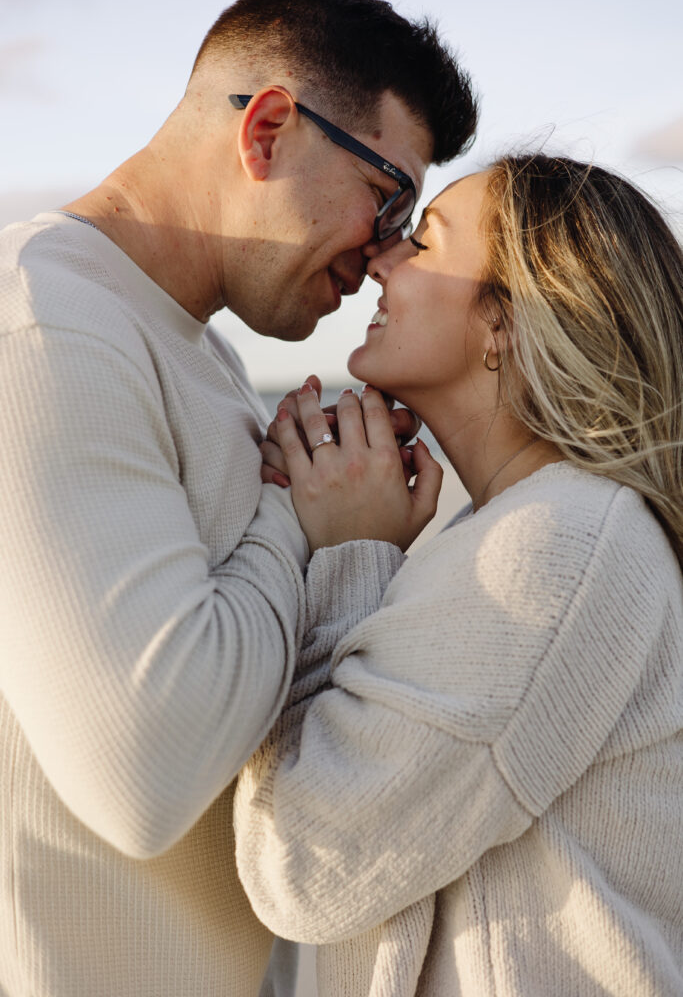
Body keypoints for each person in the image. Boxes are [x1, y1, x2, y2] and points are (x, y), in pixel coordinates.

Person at [0, 0, 478, 995]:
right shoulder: (44, 327)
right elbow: (148, 768)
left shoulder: (198, 354)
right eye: (386, 197)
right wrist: (302, 521)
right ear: (266, 129)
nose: (386, 251)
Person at [235, 154, 683, 996]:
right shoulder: (524, 530)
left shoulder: (557, 543)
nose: (381, 256)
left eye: (426, 243)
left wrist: (345, 559)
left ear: (505, 324)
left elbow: (306, 870)